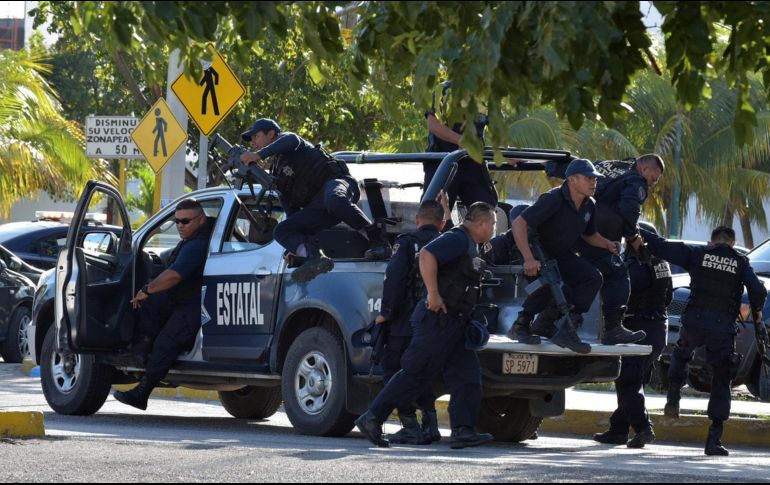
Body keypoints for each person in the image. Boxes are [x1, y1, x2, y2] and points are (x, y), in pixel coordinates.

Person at [355, 202, 497, 449]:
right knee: (414, 373)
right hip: (436, 320)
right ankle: (372, 418)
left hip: (456, 323)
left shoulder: (471, 244)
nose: (495, 228)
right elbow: (427, 255)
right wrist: (433, 293)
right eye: (494, 223)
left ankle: (463, 430)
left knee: (468, 377)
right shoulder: (457, 239)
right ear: (482, 223)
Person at [642, 225, 767, 456]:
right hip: (722, 329)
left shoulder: (698, 255)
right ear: (731, 243)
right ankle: (714, 440)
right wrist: (757, 310)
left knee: (681, 354)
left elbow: (661, 246)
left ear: (712, 241)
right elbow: (758, 292)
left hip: (695, 322)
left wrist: (635, 229)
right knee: (721, 378)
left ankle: (673, 398)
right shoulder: (740, 263)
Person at [239, 119, 390, 283]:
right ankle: (314, 257)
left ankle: (378, 241)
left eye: (256, 136)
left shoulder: (288, 140)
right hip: (319, 207)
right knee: (282, 230)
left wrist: (258, 155)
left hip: (337, 183)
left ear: (271, 134)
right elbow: (291, 211)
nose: (253, 142)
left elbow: (291, 140)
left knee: (334, 198)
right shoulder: (277, 172)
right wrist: (294, 246)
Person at [507, 159, 617, 352]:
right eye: (589, 178)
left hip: (561, 254)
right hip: (535, 252)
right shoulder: (554, 198)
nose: (594, 182)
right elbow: (518, 223)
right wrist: (528, 258)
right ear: (572, 179)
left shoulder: (589, 204)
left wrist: (607, 244)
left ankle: (557, 325)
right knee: (550, 281)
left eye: (595, 179)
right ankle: (521, 325)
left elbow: (589, 235)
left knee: (592, 278)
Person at [113, 198, 212, 410]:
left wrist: (147, 290)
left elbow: (174, 276)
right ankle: (140, 353)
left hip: (193, 307)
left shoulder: (198, 245)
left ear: (201, 219)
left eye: (185, 221)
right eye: (176, 221)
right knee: (150, 306)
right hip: (181, 302)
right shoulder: (191, 240)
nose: (179, 226)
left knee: (165, 343)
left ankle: (141, 393)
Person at [375, 198, 447, 445]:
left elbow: (394, 279)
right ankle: (430, 424)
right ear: (443, 222)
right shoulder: (450, 242)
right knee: (420, 372)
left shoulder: (407, 243)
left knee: (394, 370)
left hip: (405, 319)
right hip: (438, 319)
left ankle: (410, 425)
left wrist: (386, 312)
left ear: (417, 220)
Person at [575, 154, 666, 345]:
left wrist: (547, 165)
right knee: (618, 276)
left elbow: (572, 167)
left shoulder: (609, 164)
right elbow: (629, 209)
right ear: (644, 169)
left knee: (583, 276)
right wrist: (633, 237)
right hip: (601, 237)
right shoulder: (636, 181)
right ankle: (613, 329)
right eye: (652, 179)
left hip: (577, 228)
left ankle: (559, 321)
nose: (651, 185)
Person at [593, 235, 673, 448]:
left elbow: (621, 295)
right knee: (634, 380)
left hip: (637, 328)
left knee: (628, 381)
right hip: (658, 329)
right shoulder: (662, 264)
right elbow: (668, 298)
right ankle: (618, 429)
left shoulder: (631, 267)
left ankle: (643, 428)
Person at [424, 81, 497, 225]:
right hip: (442, 163)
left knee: (486, 210)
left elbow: (498, 132)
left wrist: (512, 156)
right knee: (434, 215)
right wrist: (462, 141)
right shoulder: (443, 90)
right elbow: (433, 124)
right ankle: (432, 244)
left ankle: (478, 246)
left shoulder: (487, 95)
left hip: (472, 162)